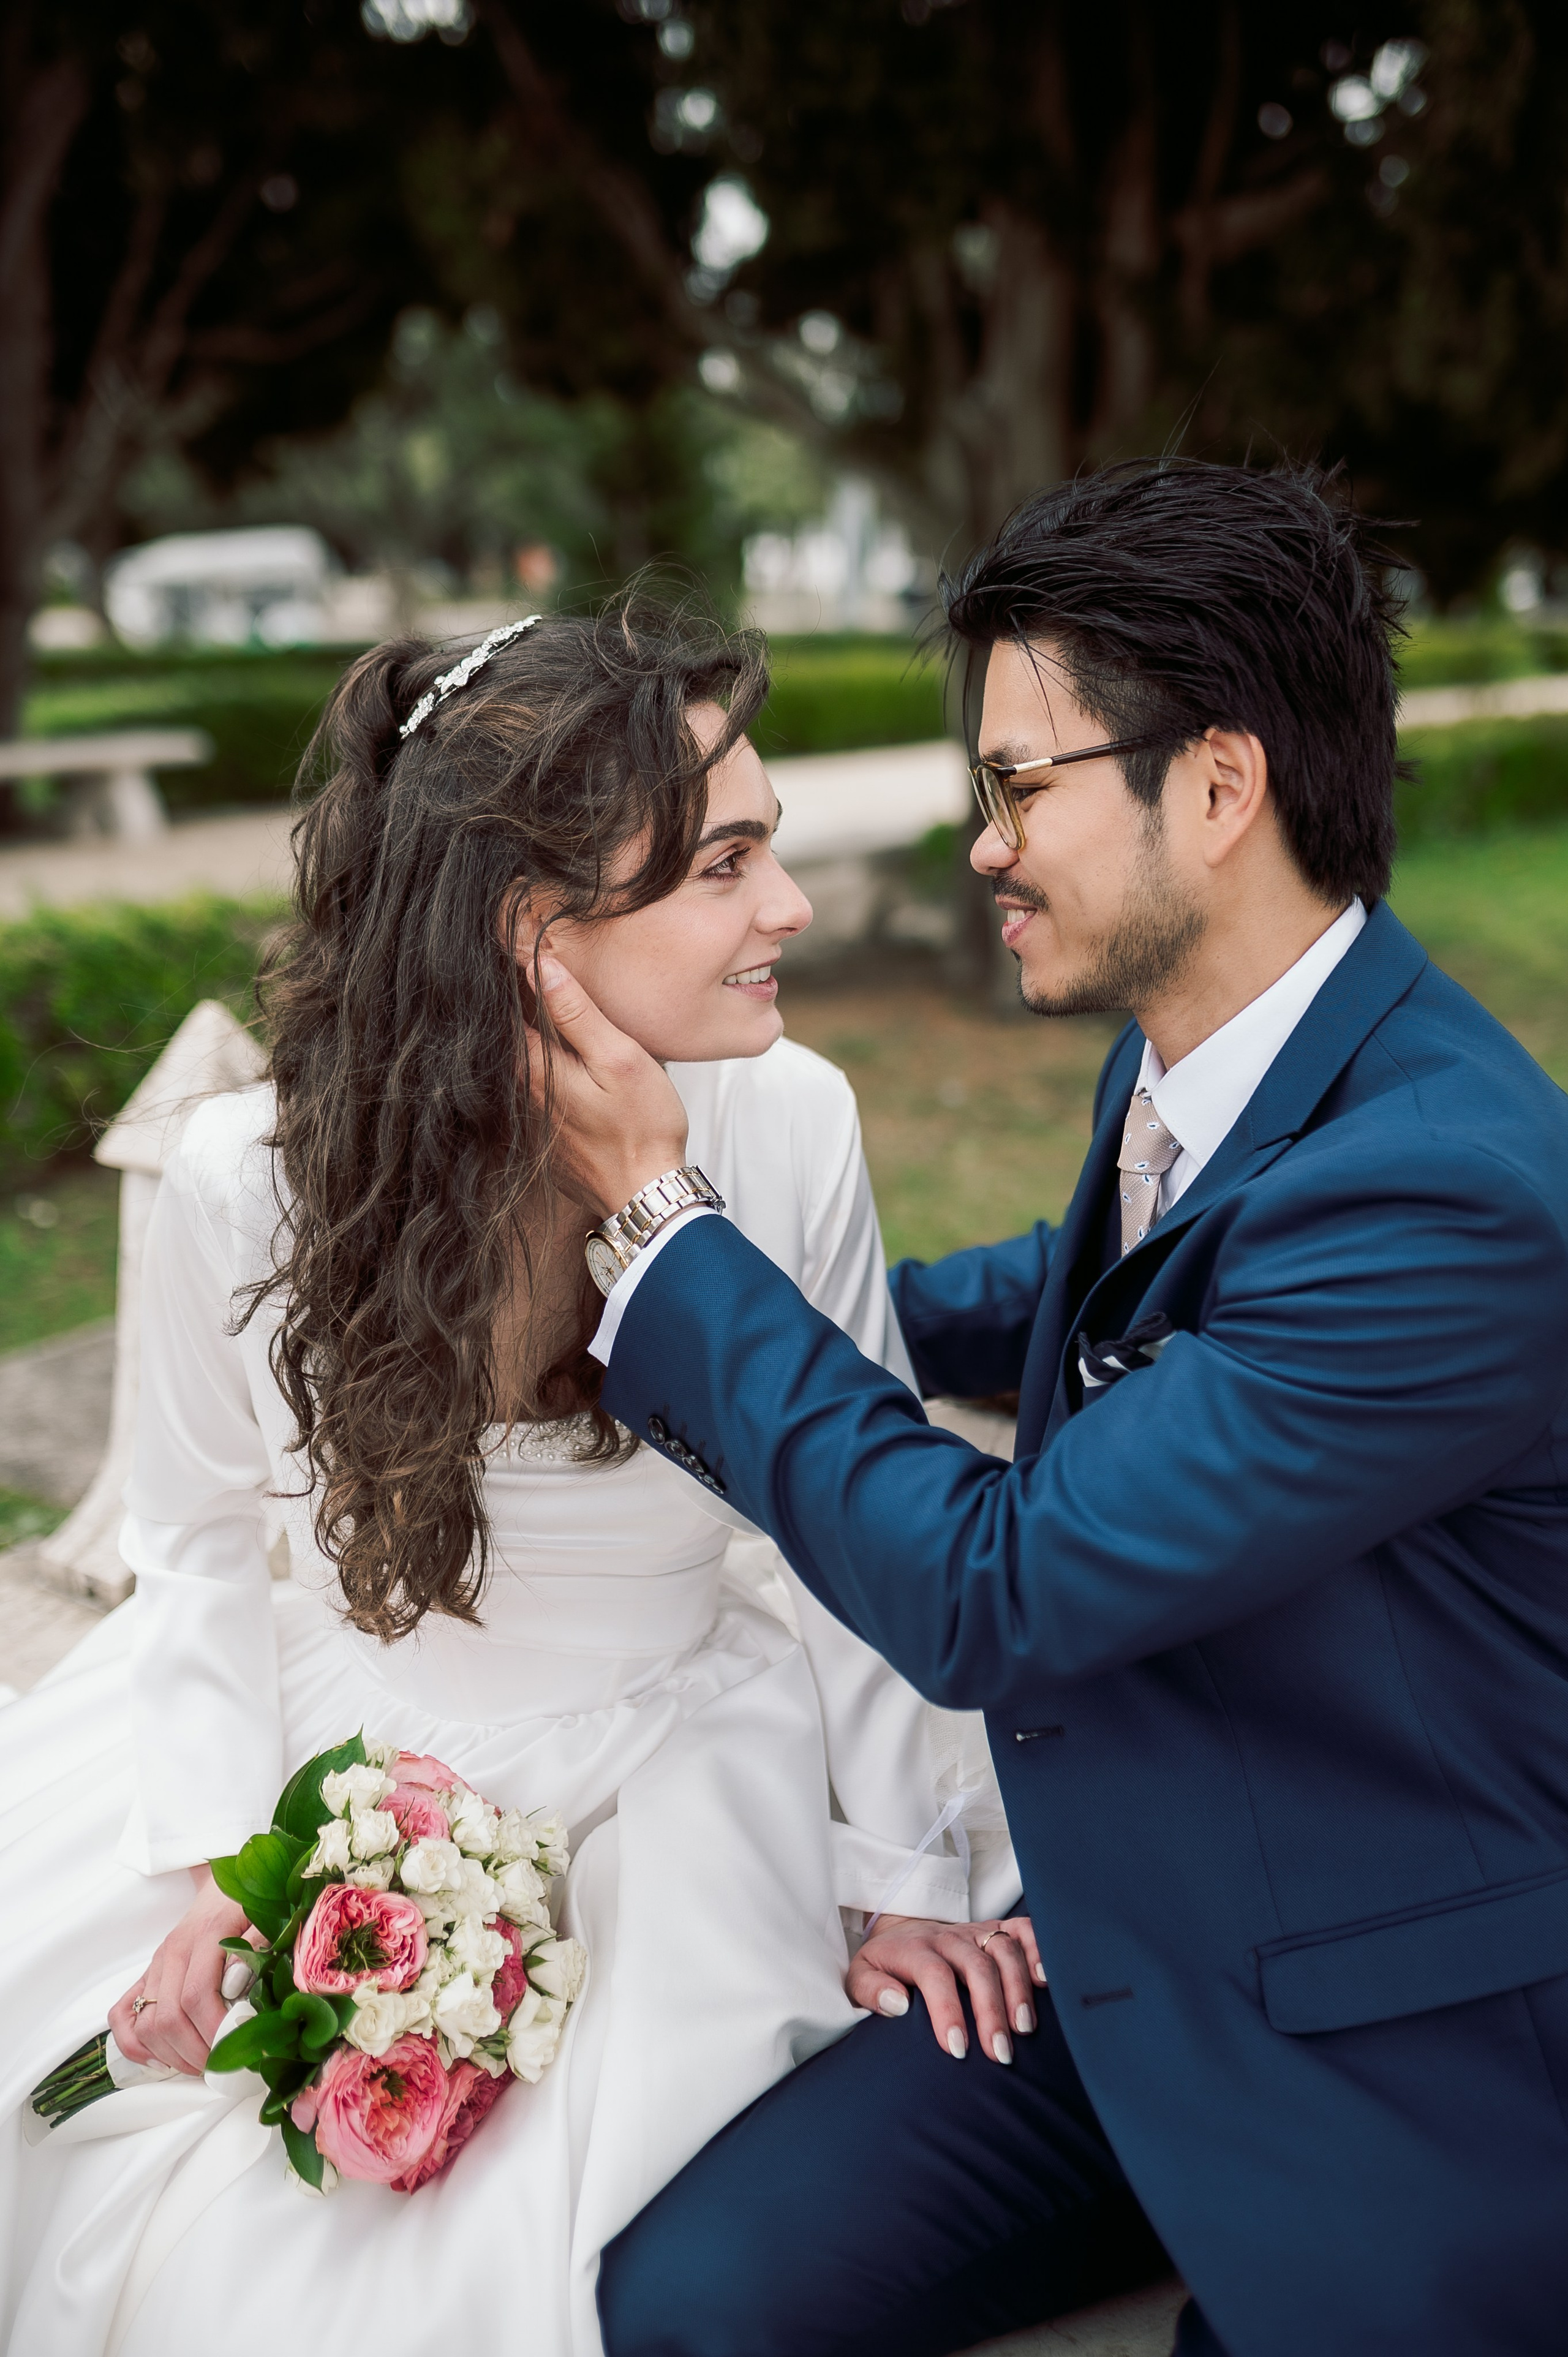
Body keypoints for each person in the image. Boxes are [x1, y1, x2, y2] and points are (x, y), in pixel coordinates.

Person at [535, 464, 1568, 2357]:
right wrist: (809, 1308)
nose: (984, 844)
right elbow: (1072, 1298)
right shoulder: (1208, 1055)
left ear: (1221, 785)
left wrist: (666, 1239)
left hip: (1380, 2042)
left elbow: (997, 1591)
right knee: (686, 2309)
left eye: (1022, 787)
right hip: (1108, 1960)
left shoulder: (1451, 1192)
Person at [0, 598, 1033, 2357]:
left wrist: (903, 1877)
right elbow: (182, 1547)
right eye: (727, 865)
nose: (787, 908)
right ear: (534, 932)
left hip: (686, 1757)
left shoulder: (791, 1121)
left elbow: (842, 1524)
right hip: (320, 1733)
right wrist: (218, 1878)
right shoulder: (236, 1183)